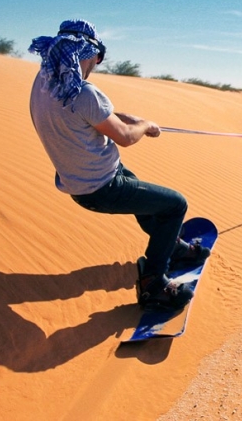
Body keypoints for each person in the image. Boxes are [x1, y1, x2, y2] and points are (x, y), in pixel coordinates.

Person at [28, 19, 208, 311]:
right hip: (100, 187)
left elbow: (96, 115)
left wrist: (131, 119)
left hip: (88, 178)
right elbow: (124, 137)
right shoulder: (83, 93)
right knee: (175, 205)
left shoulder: (45, 85)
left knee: (146, 200)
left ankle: (172, 246)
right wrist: (145, 125)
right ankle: (153, 283)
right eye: (99, 56)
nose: (97, 63)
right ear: (90, 53)